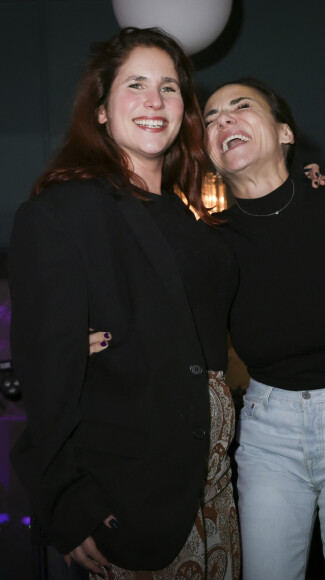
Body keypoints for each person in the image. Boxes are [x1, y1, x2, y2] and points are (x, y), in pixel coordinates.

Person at [9, 27, 240, 579]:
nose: (155, 102)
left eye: (169, 87)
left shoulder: (191, 217)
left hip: (214, 489)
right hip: (133, 497)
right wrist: (66, 500)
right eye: (135, 85)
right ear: (101, 111)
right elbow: (46, 375)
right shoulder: (61, 213)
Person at [202, 78, 325, 580]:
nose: (223, 120)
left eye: (240, 107)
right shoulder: (208, 245)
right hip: (267, 430)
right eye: (210, 117)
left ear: (285, 132)